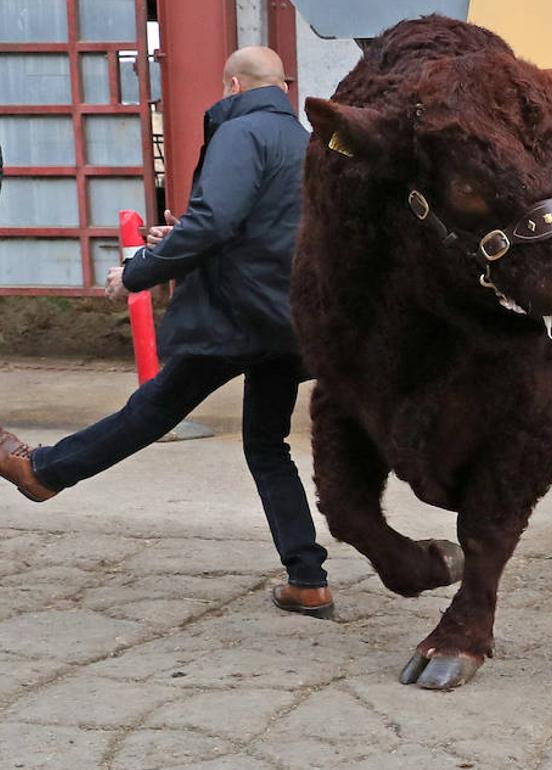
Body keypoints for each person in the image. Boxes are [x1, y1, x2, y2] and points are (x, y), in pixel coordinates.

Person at [0, 47, 334, 620]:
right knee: (265, 444)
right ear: (282, 84)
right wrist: (181, 231)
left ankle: (45, 472)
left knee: (152, 409)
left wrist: (137, 273)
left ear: (232, 84)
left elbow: (217, 221)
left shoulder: (239, 132)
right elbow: (268, 225)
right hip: (289, 317)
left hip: (237, 317)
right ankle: (307, 578)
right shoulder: (308, 142)